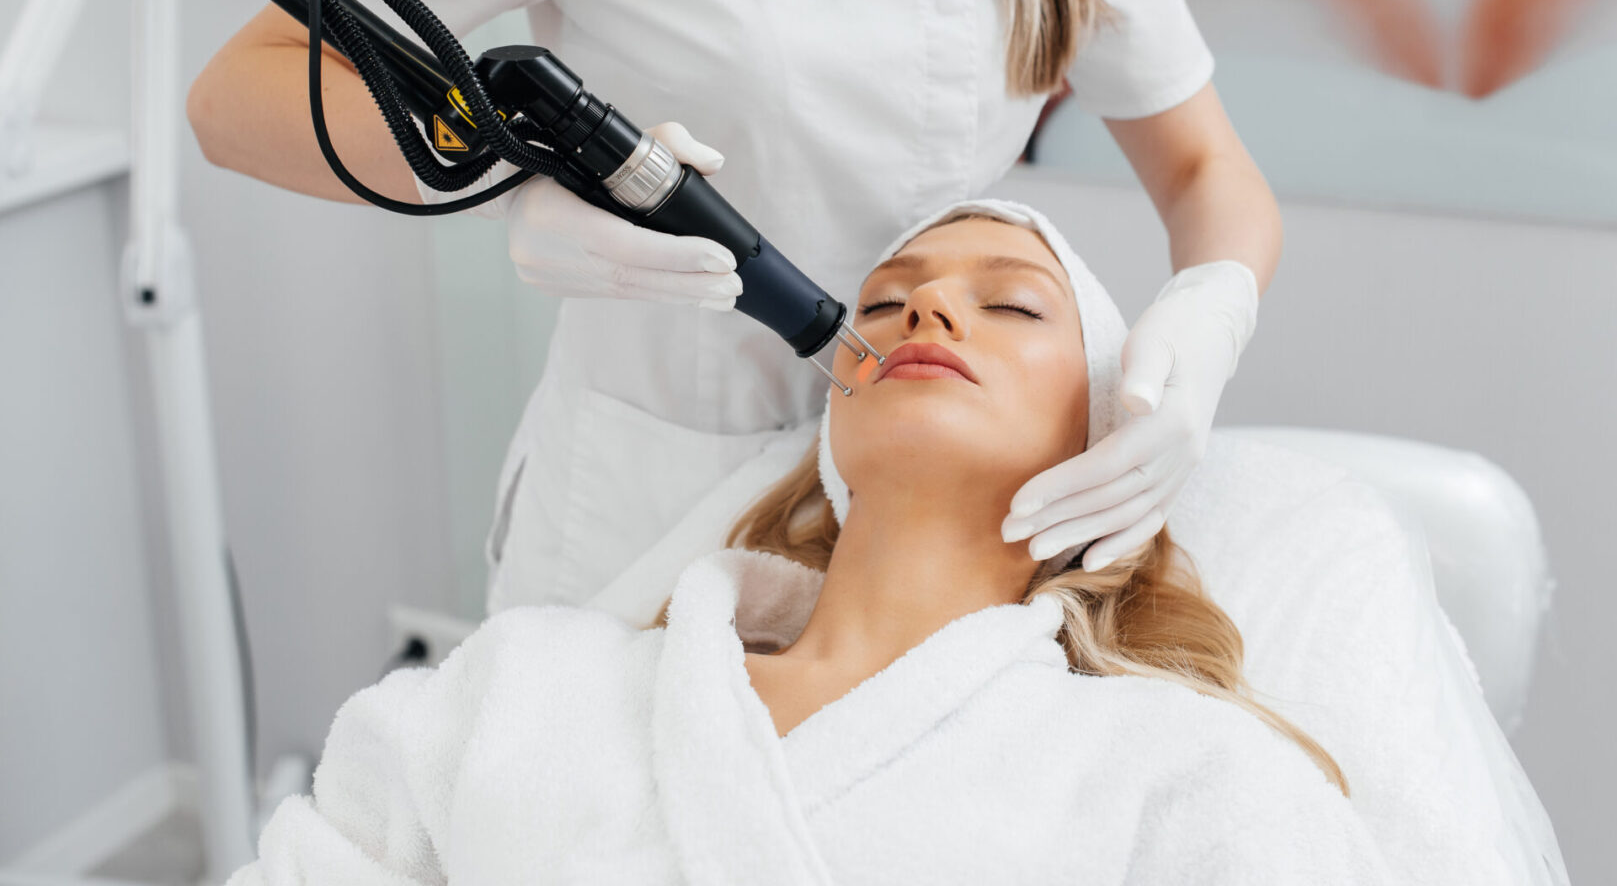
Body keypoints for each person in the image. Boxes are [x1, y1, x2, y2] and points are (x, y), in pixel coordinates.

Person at [187, 0, 1280, 615]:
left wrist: (1213, 313)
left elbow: (1204, 172)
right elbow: (242, 95)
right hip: (652, 500)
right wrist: (502, 182)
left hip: (935, 525)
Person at [225, 200, 1386, 885]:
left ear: (1110, 438)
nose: (925, 314)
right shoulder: (533, 681)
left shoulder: (1183, 771)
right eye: (882, 303)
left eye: (1014, 305)